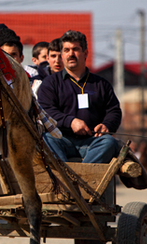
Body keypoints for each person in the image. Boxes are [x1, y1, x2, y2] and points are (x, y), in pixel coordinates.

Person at [37, 30, 122, 164]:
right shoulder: (50, 83)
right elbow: (46, 111)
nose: (71, 54)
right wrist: (70, 121)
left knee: (109, 142)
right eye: (66, 50)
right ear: (62, 54)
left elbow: (114, 111)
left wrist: (107, 125)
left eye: (75, 49)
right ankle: (67, 179)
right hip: (60, 140)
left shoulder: (101, 84)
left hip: (93, 142)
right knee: (46, 139)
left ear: (85, 53)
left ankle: (81, 180)